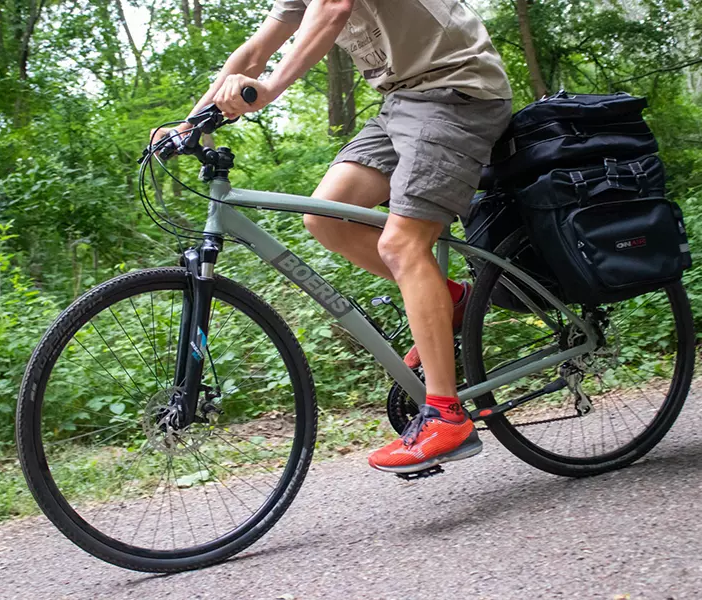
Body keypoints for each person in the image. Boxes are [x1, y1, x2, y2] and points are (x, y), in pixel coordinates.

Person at [155, 0, 513, 475]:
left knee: (402, 243)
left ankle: (446, 416)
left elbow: (333, 8)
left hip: (457, 93)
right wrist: (188, 124)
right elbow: (257, 49)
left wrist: (271, 89)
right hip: (401, 101)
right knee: (326, 217)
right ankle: (451, 302)